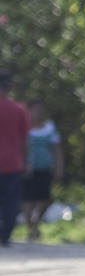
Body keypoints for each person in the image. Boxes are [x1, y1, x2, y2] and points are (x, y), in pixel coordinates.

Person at [23, 102, 60, 239]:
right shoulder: (24, 128)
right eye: (35, 110)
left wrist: (59, 167)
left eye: (40, 110)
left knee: (45, 199)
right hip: (28, 169)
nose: (38, 113)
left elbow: (57, 149)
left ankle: (35, 222)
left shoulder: (50, 128)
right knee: (28, 200)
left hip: (45, 168)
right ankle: (31, 229)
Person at [0, 72, 27, 247]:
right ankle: (5, 236)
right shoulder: (19, 109)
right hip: (12, 163)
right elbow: (24, 139)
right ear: (10, 87)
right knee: (10, 202)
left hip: (11, 163)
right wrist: (26, 161)